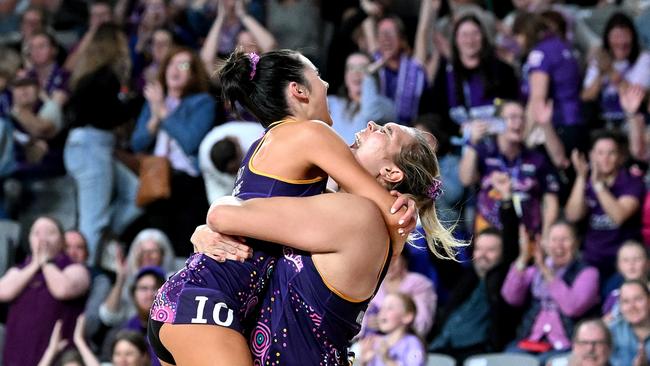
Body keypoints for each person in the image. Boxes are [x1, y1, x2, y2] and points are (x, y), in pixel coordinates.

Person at [148, 49, 454, 365]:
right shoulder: (325, 192)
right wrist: (209, 227)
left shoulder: (355, 214)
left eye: (387, 132)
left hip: (199, 304)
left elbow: (229, 212)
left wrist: (213, 223)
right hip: (206, 305)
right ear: (298, 90)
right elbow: (230, 214)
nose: (373, 123)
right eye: (319, 77)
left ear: (392, 172)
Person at [64, 22, 142, 263]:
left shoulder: (87, 75)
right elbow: (106, 116)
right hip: (92, 146)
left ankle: (105, 239)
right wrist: (134, 101)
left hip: (88, 146)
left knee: (136, 193)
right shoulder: (104, 76)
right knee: (93, 219)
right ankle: (84, 271)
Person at [429, 172, 522, 363]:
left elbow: (511, 245)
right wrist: (428, 206)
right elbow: (440, 256)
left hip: (478, 351)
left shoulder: (502, 278)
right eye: (480, 249)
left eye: (491, 250)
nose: (483, 255)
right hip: (442, 347)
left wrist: (506, 201)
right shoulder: (465, 278)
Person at [130, 46, 214, 257]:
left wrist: (163, 112)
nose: (175, 70)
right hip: (157, 182)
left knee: (184, 247)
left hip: (187, 182)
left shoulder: (203, 103)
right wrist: (154, 118)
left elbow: (190, 141)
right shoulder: (154, 102)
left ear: (194, 74)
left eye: (184, 65)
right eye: (171, 64)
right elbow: (137, 143)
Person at [501, 220, 600, 363]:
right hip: (530, 342)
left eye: (565, 240)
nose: (559, 246)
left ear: (576, 243)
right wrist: (523, 257)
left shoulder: (588, 273)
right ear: (545, 244)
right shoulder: (535, 270)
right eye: (554, 240)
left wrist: (546, 270)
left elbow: (573, 307)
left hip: (566, 345)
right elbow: (510, 297)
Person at [459, 100, 560, 236]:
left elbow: (550, 201)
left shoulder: (537, 159)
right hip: (490, 236)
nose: (519, 122)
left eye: (522, 118)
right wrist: (473, 143)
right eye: (512, 117)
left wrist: (546, 235)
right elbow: (466, 179)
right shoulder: (484, 153)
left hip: (527, 234)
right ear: (496, 123)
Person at [0, 216, 90, 366]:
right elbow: (3, 292)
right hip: (18, 353)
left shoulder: (74, 268)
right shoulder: (20, 269)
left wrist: (46, 263)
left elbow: (62, 289)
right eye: (37, 233)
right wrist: (35, 265)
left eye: (50, 232)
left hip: (59, 356)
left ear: (62, 242)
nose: (43, 238)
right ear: (29, 240)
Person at [565, 130, 646, 279]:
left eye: (611, 153)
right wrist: (581, 178)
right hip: (591, 259)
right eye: (600, 153)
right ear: (591, 156)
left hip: (623, 263)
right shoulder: (586, 183)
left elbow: (618, 216)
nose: (605, 159)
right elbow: (573, 215)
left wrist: (599, 186)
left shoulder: (631, 183)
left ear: (620, 157)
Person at [513, 12, 583, 155]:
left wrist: (524, 136)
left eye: (517, 37)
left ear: (524, 33)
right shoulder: (562, 46)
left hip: (558, 124)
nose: (517, 43)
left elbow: (538, 98)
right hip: (576, 120)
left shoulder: (540, 53)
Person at [581, 13, 650, 128]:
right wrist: (600, 74)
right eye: (616, 37)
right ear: (608, 39)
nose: (621, 43)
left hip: (632, 120)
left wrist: (609, 70)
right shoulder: (600, 60)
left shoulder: (644, 59)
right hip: (604, 121)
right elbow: (586, 96)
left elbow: (636, 95)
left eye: (625, 36)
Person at [361, 251, 436, 339]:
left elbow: (422, 324)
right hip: (370, 342)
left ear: (404, 260)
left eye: (394, 259)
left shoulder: (419, 284)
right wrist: (367, 323)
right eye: (383, 259)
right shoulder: (371, 284)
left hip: (405, 342)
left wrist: (395, 323)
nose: (388, 264)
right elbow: (357, 320)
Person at [328, 52, 395, 145]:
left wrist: (368, 77)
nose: (356, 73)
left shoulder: (384, 105)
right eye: (351, 68)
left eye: (363, 69)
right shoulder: (332, 103)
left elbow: (370, 113)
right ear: (345, 76)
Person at [198, 121, 265, 204]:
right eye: (231, 172)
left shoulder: (258, 140)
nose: (235, 174)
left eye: (235, 169)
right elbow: (214, 190)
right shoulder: (205, 156)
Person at [359, 293, 426, 366]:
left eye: (390, 308)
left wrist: (386, 359)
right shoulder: (377, 342)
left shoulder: (412, 343)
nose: (382, 312)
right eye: (382, 308)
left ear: (407, 317)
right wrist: (364, 361)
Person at [603, 241, 649, 323]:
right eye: (625, 260)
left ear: (648, 263)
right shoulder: (614, 294)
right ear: (618, 265)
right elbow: (608, 318)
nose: (631, 264)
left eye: (637, 259)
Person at [608, 280, 650, 366]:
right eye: (626, 301)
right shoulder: (611, 332)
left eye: (638, 299)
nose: (632, 307)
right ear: (620, 306)